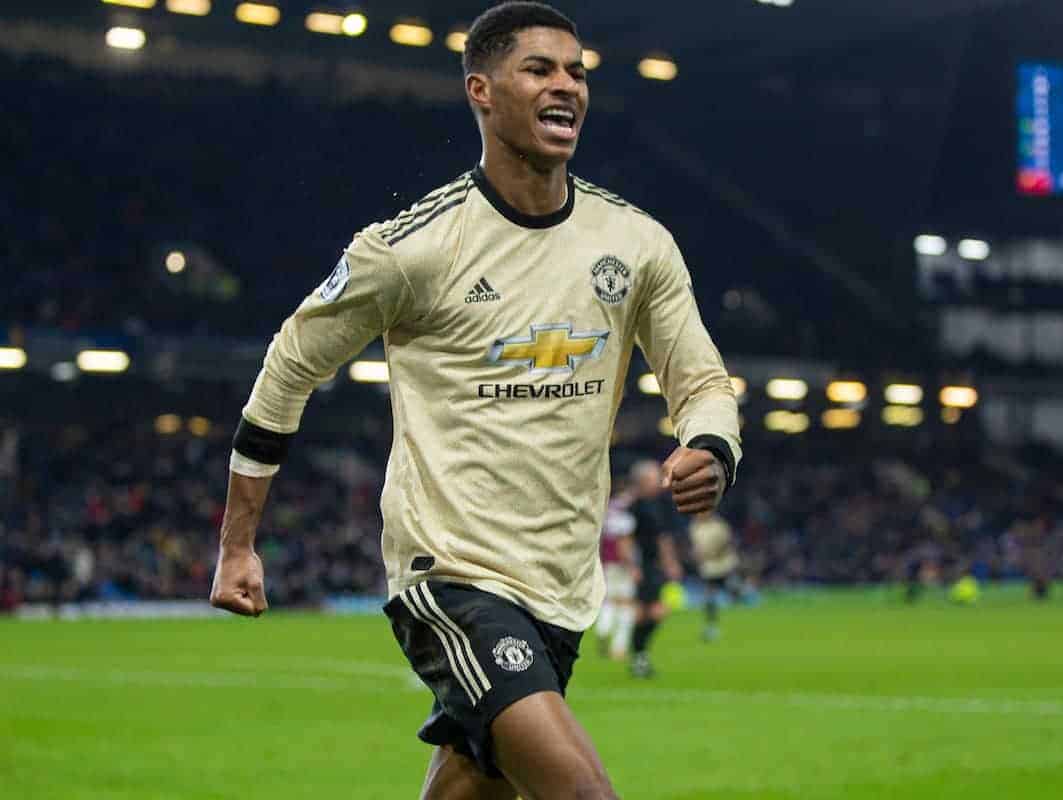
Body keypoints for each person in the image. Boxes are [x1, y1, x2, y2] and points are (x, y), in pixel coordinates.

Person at [208, 3, 741, 799]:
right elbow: (288, 366)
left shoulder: (636, 244)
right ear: (481, 91)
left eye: (577, 72)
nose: (567, 86)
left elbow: (699, 380)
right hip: (448, 574)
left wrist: (711, 443)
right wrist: (238, 543)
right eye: (540, 69)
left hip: (559, 590)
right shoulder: (413, 249)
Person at [628, 460, 683, 678]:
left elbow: (664, 538)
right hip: (645, 566)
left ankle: (639, 658)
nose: (659, 482)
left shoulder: (659, 504)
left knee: (649, 612)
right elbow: (627, 539)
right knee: (654, 611)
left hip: (652, 566)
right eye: (653, 478)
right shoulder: (635, 507)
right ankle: (639, 657)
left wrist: (670, 562)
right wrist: (632, 566)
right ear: (641, 482)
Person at [592, 489, 638, 660]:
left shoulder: (605, 515)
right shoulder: (625, 519)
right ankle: (619, 648)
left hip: (606, 565)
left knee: (609, 601)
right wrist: (631, 566)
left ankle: (603, 629)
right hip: (621, 567)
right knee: (627, 605)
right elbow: (624, 545)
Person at [688, 510, 741, 642]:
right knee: (709, 596)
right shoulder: (694, 527)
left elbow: (726, 543)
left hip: (724, 564)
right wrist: (697, 555)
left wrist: (711, 552)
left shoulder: (719, 525)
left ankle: (742, 600)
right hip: (709, 567)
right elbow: (695, 546)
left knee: (733, 591)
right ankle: (712, 626)